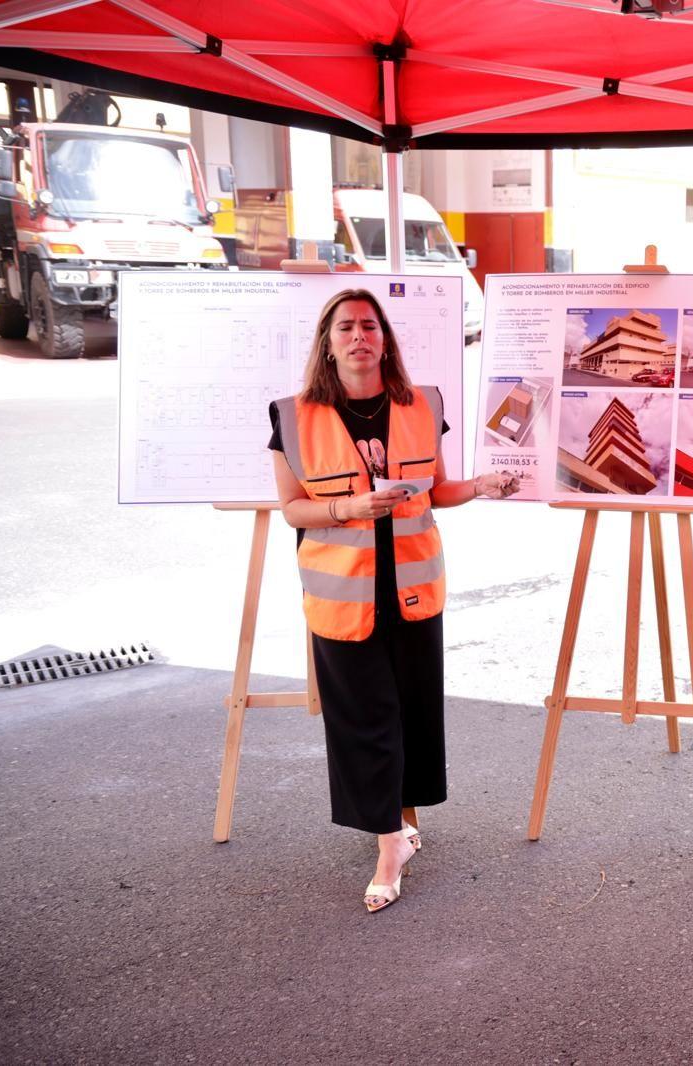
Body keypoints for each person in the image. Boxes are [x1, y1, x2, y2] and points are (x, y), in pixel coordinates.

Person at [269, 287, 513, 914]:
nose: (359, 337)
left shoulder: (420, 405)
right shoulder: (293, 415)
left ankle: (403, 820)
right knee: (363, 717)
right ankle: (387, 846)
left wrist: (480, 486)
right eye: (346, 327)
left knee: (409, 710)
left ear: (385, 339)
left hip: (411, 587)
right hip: (342, 591)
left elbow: (437, 490)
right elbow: (292, 507)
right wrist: (352, 507)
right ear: (328, 342)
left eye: (369, 327)